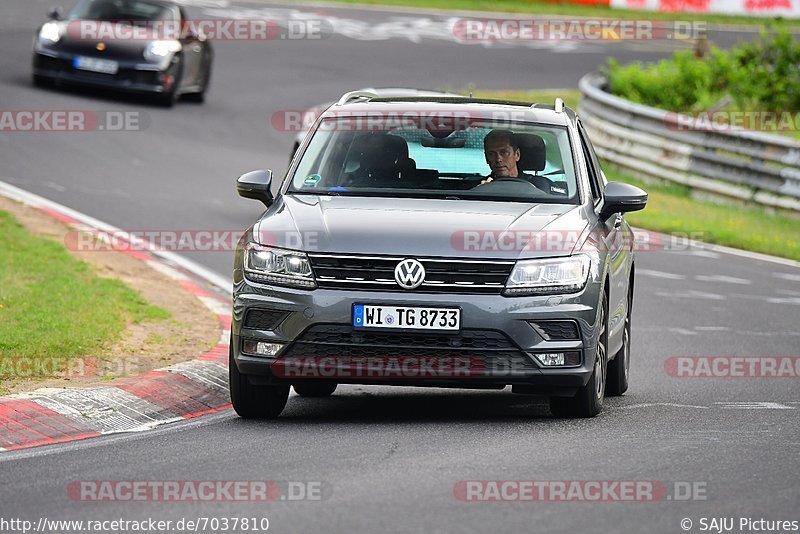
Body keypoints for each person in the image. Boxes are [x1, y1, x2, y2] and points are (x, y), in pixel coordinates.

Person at [478, 129, 565, 195]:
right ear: (486, 157)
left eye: (504, 152)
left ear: (517, 154)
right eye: (492, 154)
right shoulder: (475, 189)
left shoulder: (543, 186)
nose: (498, 159)